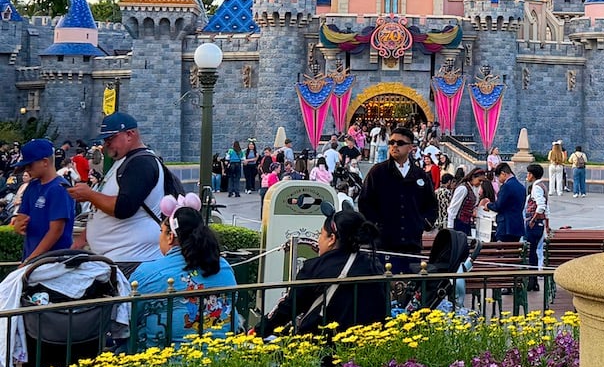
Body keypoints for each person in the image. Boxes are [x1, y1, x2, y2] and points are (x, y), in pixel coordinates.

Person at [260, 204, 387, 336]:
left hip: (323, 345)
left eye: (321, 234)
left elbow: (288, 309)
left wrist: (258, 331)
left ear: (332, 239)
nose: (318, 239)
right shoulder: (374, 265)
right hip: (369, 344)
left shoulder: (315, 268)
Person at [129, 194, 236, 349]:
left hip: (163, 365)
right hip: (223, 360)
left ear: (170, 237)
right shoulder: (224, 267)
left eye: (161, 231)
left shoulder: (146, 274)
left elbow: (128, 319)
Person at [67, 112, 168, 272]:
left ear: (129, 134)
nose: (106, 144)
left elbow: (124, 207)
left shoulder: (141, 162)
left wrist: (89, 194)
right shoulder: (125, 161)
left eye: (110, 139)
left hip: (132, 259)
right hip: (119, 257)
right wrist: (84, 237)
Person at [357, 127, 436, 274]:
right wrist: (376, 225)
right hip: (385, 243)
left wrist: (423, 223)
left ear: (411, 147)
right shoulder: (378, 172)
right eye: (391, 142)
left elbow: (431, 204)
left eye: (400, 143)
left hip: (412, 243)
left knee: (410, 286)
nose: (394, 146)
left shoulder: (420, 175)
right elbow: (365, 202)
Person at [11, 139, 74, 264]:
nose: (27, 170)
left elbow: (55, 231)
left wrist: (30, 261)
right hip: (32, 259)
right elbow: (22, 216)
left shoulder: (59, 188)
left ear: (45, 162)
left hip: (53, 262)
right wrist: (19, 225)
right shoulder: (32, 186)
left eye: (30, 165)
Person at [523, 163, 549, 291]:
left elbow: (541, 206)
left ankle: (532, 281)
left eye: (528, 174)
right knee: (533, 252)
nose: (527, 176)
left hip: (533, 224)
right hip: (540, 224)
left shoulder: (536, 187)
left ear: (532, 175)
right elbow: (546, 208)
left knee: (531, 252)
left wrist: (532, 220)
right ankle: (533, 281)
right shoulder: (542, 186)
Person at [492, 162, 526, 243]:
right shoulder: (521, 187)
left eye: (498, 177)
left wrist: (488, 205)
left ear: (503, 174)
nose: (498, 180)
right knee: (514, 252)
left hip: (506, 226)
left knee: (503, 252)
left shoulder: (506, 186)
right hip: (518, 225)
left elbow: (498, 206)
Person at [447, 167, 487, 236]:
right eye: (479, 180)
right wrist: (450, 227)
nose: (480, 183)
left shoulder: (472, 188)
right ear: (473, 177)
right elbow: (453, 208)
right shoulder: (463, 188)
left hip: (466, 223)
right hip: (459, 223)